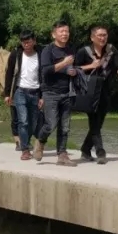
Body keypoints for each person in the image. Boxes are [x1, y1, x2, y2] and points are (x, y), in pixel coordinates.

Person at [74, 25, 118, 164]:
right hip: (89, 92)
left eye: (104, 35)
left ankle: (85, 150)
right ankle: (100, 152)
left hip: (104, 92)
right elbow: (74, 69)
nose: (102, 38)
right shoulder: (84, 52)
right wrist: (91, 66)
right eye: (99, 35)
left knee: (98, 124)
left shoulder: (111, 51)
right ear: (92, 37)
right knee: (94, 122)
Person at [33, 20, 77, 166]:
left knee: (65, 126)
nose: (65, 34)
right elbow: (45, 71)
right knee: (51, 124)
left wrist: (73, 71)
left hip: (67, 92)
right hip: (50, 92)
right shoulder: (48, 50)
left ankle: (62, 155)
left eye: (67, 31)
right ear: (54, 34)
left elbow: (71, 68)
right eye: (61, 31)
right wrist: (64, 63)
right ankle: (40, 141)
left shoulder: (70, 50)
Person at [3, 30, 44, 161]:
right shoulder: (16, 54)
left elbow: (44, 76)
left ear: (34, 41)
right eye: (23, 42)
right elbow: (9, 74)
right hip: (20, 91)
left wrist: (42, 96)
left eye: (28, 42)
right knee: (23, 120)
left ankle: (26, 142)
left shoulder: (41, 54)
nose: (26, 44)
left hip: (35, 92)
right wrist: (7, 94)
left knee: (33, 122)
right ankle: (25, 150)